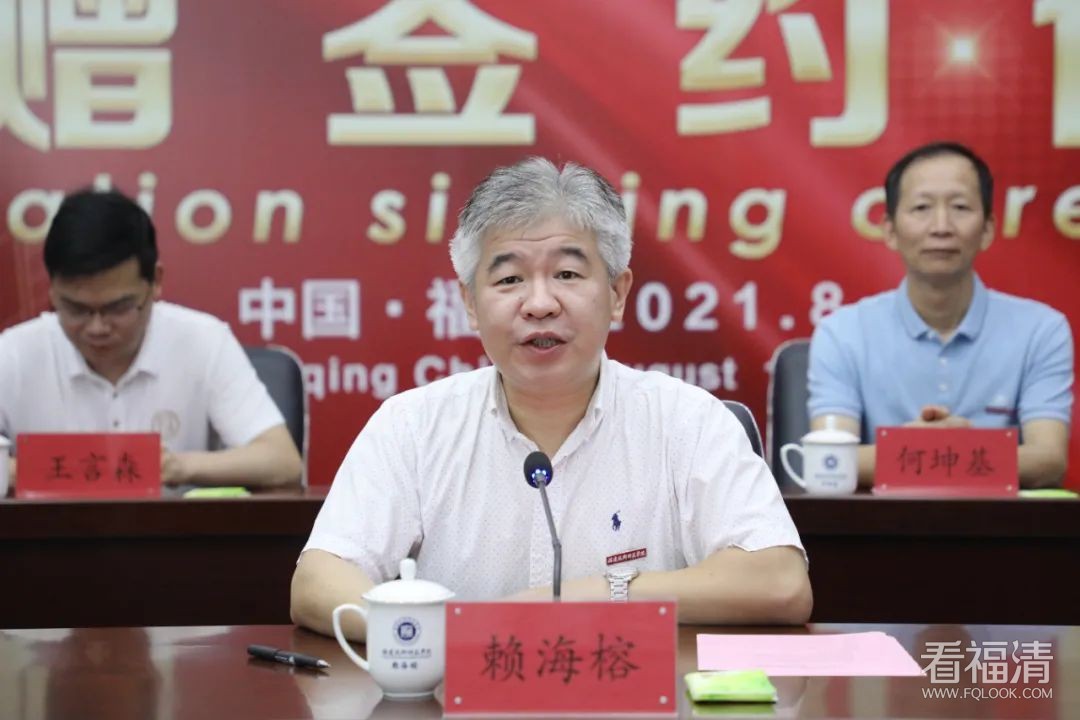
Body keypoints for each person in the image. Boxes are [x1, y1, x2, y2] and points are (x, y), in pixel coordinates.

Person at [291, 158, 811, 641]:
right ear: (470, 303)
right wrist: (451, 636)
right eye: (509, 278)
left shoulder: (688, 421)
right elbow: (318, 582)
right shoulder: (412, 425)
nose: (539, 304)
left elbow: (780, 582)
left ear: (617, 294)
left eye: (567, 274)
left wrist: (593, 596)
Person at [808, 141, 1073, 489]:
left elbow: (1049, 460)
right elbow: (828, 462)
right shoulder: (842, 332)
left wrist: (932, 452)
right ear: (890, 230)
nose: (941, 226)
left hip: (999, 523)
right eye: (921, 207)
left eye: (960, 207)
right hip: (882, 523)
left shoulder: (1041, 330)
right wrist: (939, 451)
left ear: (988, 229)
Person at [0, 189, 303, 489]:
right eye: (75, 309)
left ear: (155, 282)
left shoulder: (203, 341)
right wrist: (24, 470)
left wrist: (179, 467)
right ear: (52, 289)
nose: (97, 327)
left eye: (117, 308)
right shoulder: (13, 353)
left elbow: (282, 461)